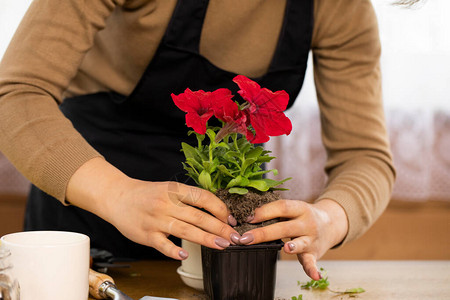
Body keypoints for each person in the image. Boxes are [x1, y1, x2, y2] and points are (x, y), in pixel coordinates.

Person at [0, 0, 395, 281]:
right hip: (90, 227)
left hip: (227, 261)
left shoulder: (342, 8)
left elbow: (365, 156)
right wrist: (117, 195)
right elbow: (15, 94)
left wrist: (329, 218)